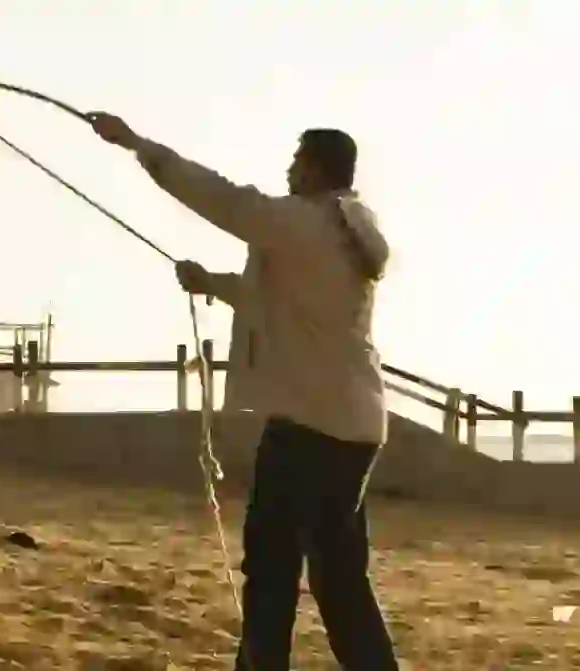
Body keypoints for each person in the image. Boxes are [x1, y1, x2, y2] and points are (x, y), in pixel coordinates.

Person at [88, 112, 399, 671]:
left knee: (273, 570)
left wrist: (138, 145)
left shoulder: (303, 222)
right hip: (355, 427)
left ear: (316, 170)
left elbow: (224, 200)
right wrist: (211, 284)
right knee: (339, 577)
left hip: (307, 426)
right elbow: (283, 304)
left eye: (297, 160)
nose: (288, 170)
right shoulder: (351, 227)